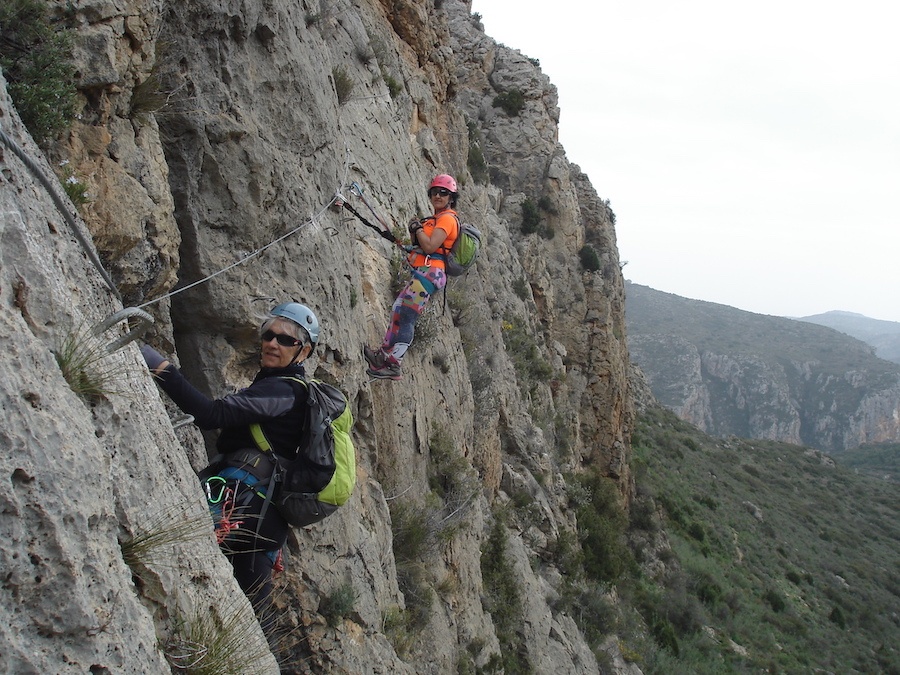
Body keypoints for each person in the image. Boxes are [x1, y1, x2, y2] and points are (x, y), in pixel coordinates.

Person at [140, 302, 322, 630]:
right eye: (269, 335)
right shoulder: (276, 387)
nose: (272, 343)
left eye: (285, 341)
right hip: (258, 517)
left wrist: (160, 367)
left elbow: (211, 416)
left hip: (246, 509)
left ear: (304, 352)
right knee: (251, 621)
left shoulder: (285, 391)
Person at [364, 173, 460, 380]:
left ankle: (394, 364)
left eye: (443, 193)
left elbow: (430, 246)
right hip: (424, 271)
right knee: (398, 311)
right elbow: (420, 246)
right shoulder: (435, 220)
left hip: (430, 273)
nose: (438, 196)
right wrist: (416, 230)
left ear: (451, 197)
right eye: (434, 192)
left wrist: (418, 229)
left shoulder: (447, 219)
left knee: (406, 316)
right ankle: (383, 356)